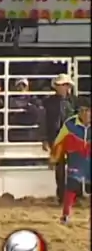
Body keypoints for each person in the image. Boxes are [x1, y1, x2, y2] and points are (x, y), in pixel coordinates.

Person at [49, 96, 90, 224]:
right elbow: (59, 141)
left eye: (88, 110)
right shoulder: (70, 124)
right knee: (72, 186)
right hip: (76, 157)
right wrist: (54, 156)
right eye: (82, 110)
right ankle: (66, 214)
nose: (85, 114)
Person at [40, 72, 79, 203]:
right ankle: (62, 195)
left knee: (74, 167)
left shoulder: (75, 102)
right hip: (56, 136)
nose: (61, 87)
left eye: (63, 85)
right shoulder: (48, 102)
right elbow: (44, 121)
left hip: (72, 136)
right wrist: (44, 138)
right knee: (60, 168)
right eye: (59, 85)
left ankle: (74, 195)